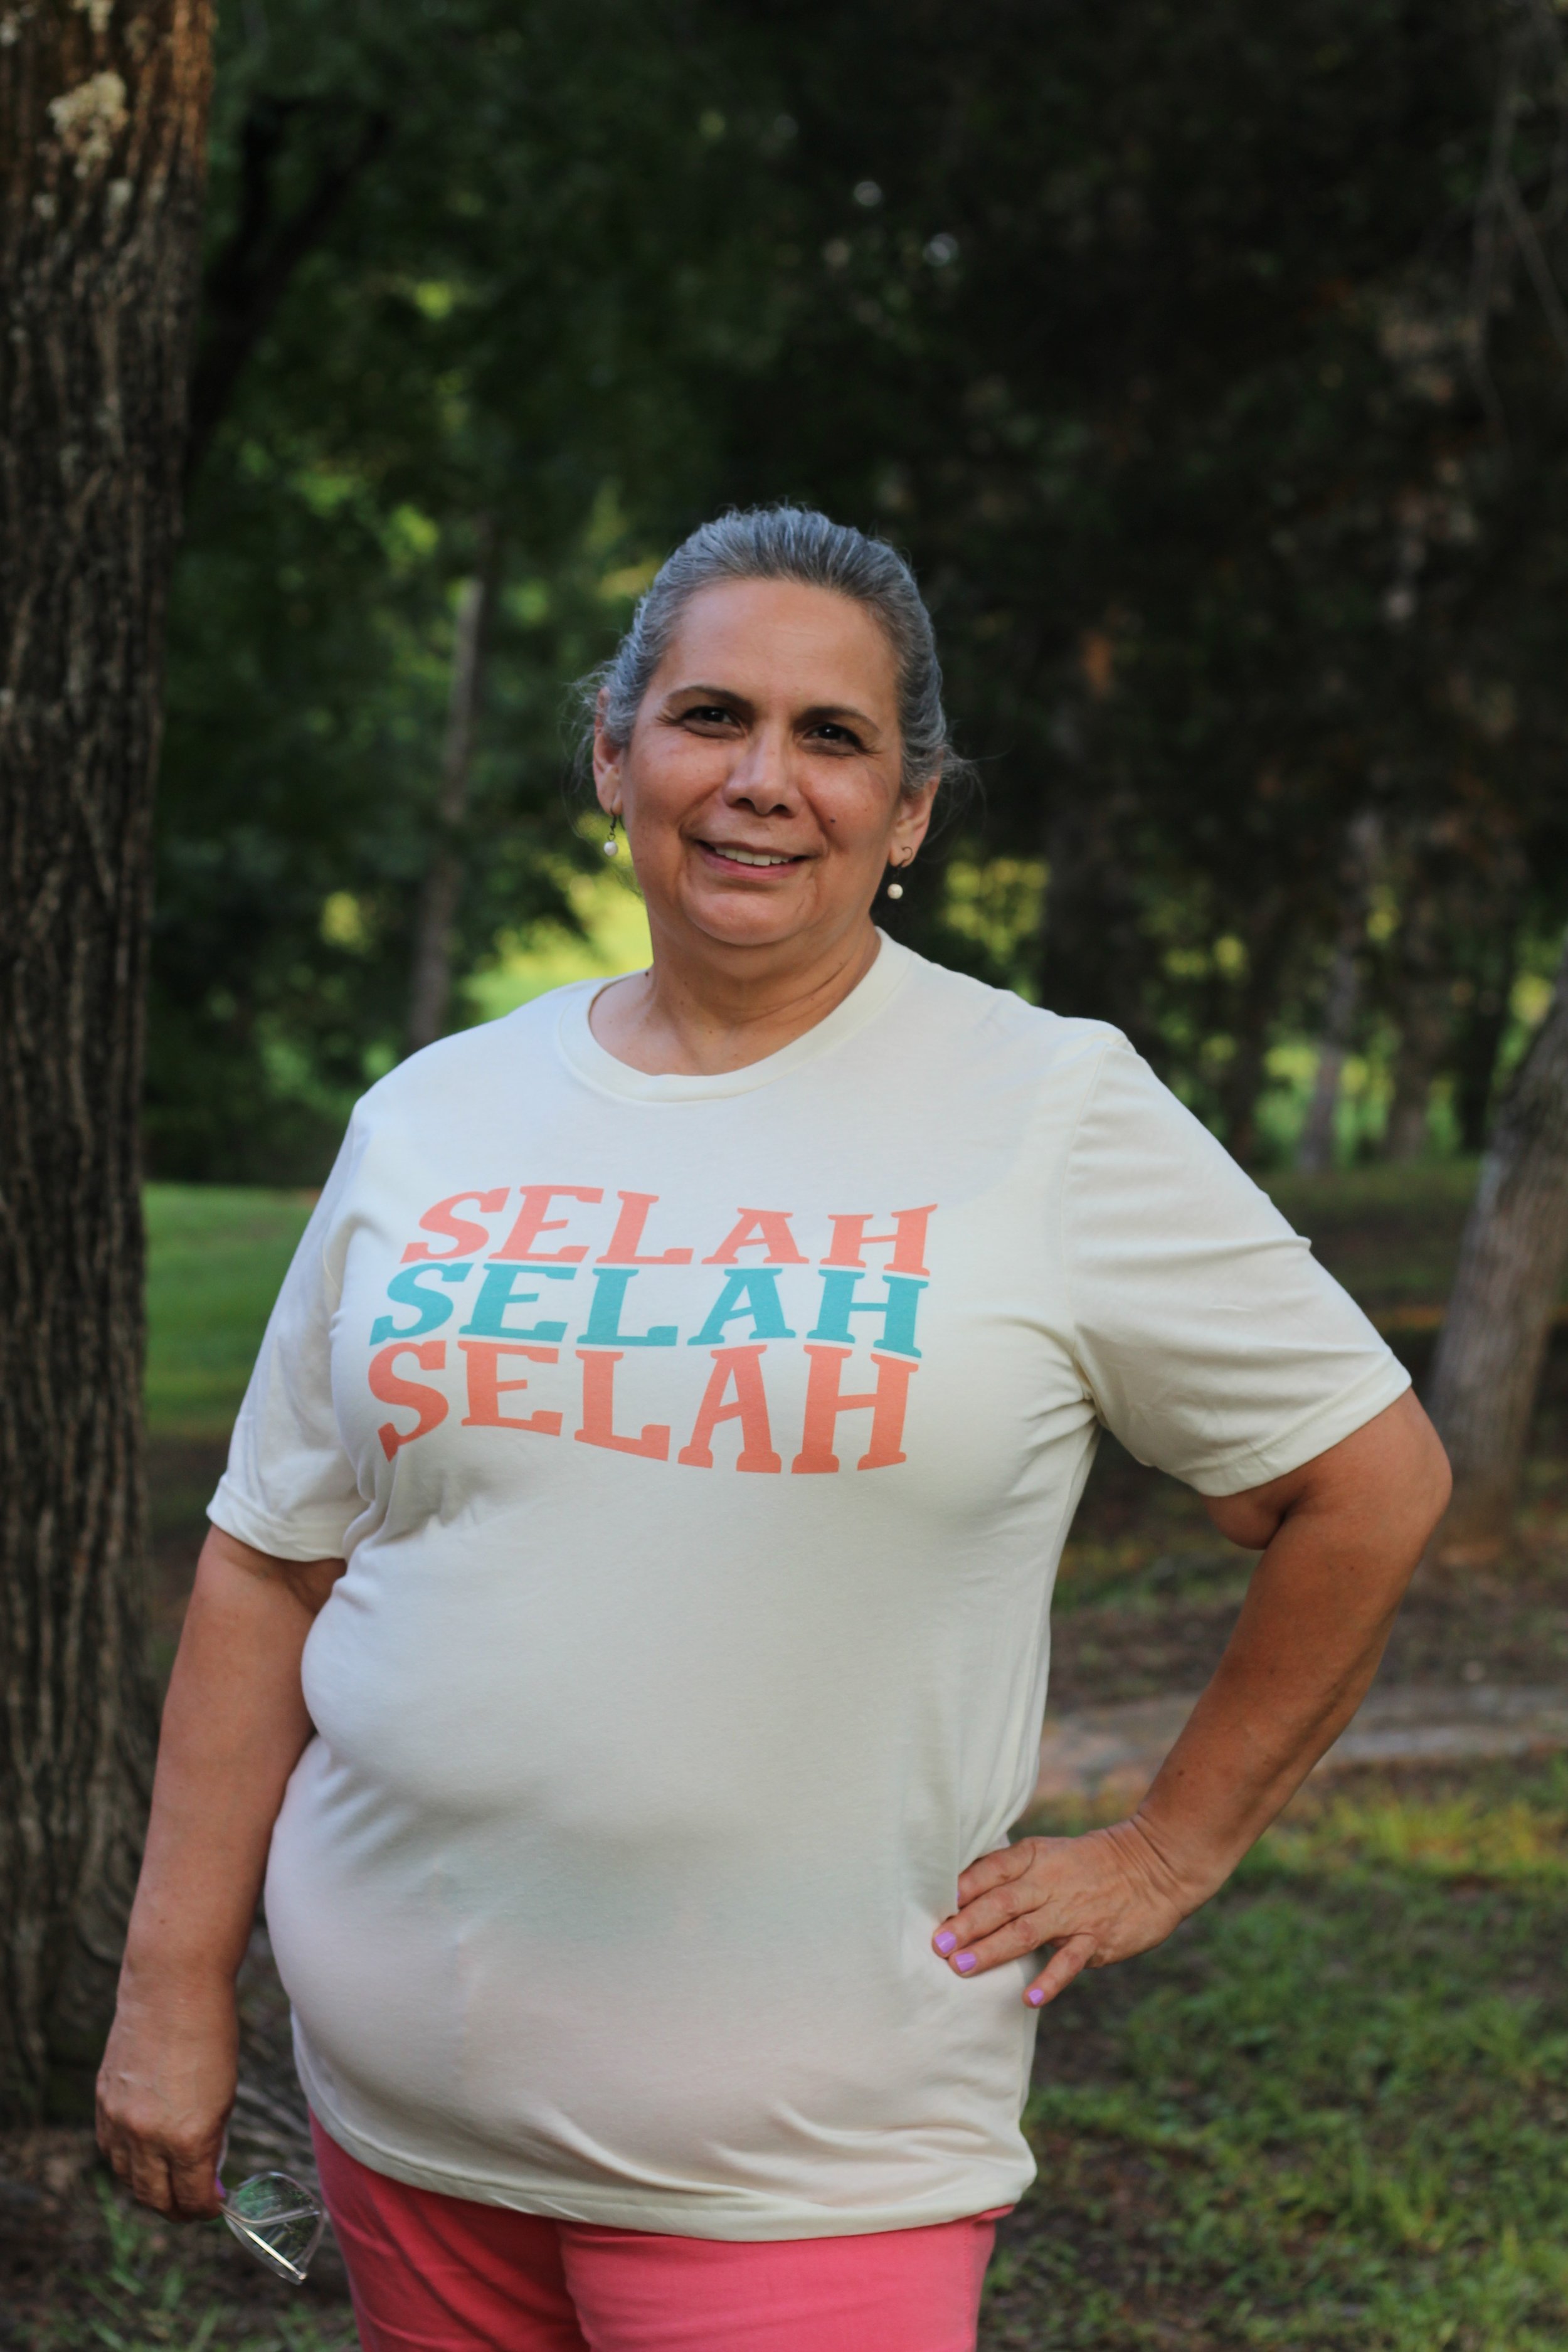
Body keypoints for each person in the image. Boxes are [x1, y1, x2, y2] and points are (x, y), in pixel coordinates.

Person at [98, 506, 1450, 2352]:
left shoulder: (1047, 1106)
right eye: (709, 715)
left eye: (833, 739)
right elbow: (270, 1560)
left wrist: (1165, 1850)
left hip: (812, 2163)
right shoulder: (437, 1114)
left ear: (909, 810)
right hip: (404, 2125)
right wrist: (170, 1988)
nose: (761, 780)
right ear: (612, 750)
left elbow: (1366, 1481)